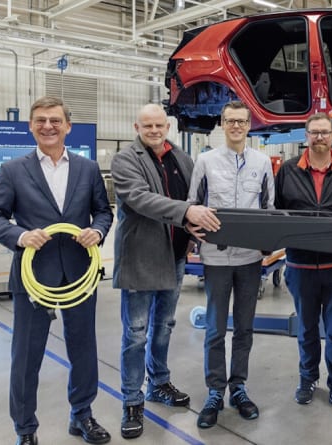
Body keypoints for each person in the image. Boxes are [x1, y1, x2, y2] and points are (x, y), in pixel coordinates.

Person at [0, 96, 114, 445]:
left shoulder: (86, 169)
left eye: (55, 120)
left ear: (68, 126)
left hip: (79, 273)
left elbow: (103, 211)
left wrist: (97, 231)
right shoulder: (13, 170)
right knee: (26, 355)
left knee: (83, 348)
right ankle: (25, 429)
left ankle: (82, 416)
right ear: (31, 126)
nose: (48, 126)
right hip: (33, 276)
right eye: (40, 120)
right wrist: (21, 236)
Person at [111, 104, 219, 439]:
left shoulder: (182, 158)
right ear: (136, 126)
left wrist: (192, 235)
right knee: (136, 333)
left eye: (160, 124)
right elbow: (140, 199)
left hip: (173, 256)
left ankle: (159, 383)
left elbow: (193, 196)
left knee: (164, 327)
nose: (155, 130)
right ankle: (132, 399)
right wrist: (189, 212)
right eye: (148, 126)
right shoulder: (126, 159)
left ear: (168, 125)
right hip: (142, 258)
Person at [274, 113, 332, 418]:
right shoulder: (288, 171)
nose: (319, 137)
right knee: (306, 329)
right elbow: (276, 213)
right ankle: (308, 378)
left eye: (324, 133)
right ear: (306, 136)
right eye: (314, 132)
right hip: (300, 266)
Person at [187, 100, 275, 429]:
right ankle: (215, 391)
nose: (236, 126)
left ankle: (238, 387)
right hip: (216, 259)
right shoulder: (206, 161)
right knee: (214, 329)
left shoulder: (262, 162)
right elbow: (191, 206)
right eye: (230, 121)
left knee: (244, 327)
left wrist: (268, 244)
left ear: (249, 126)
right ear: (222, 125)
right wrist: (194, 234)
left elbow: (270, 207)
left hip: (250, 259)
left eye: (241, 121)